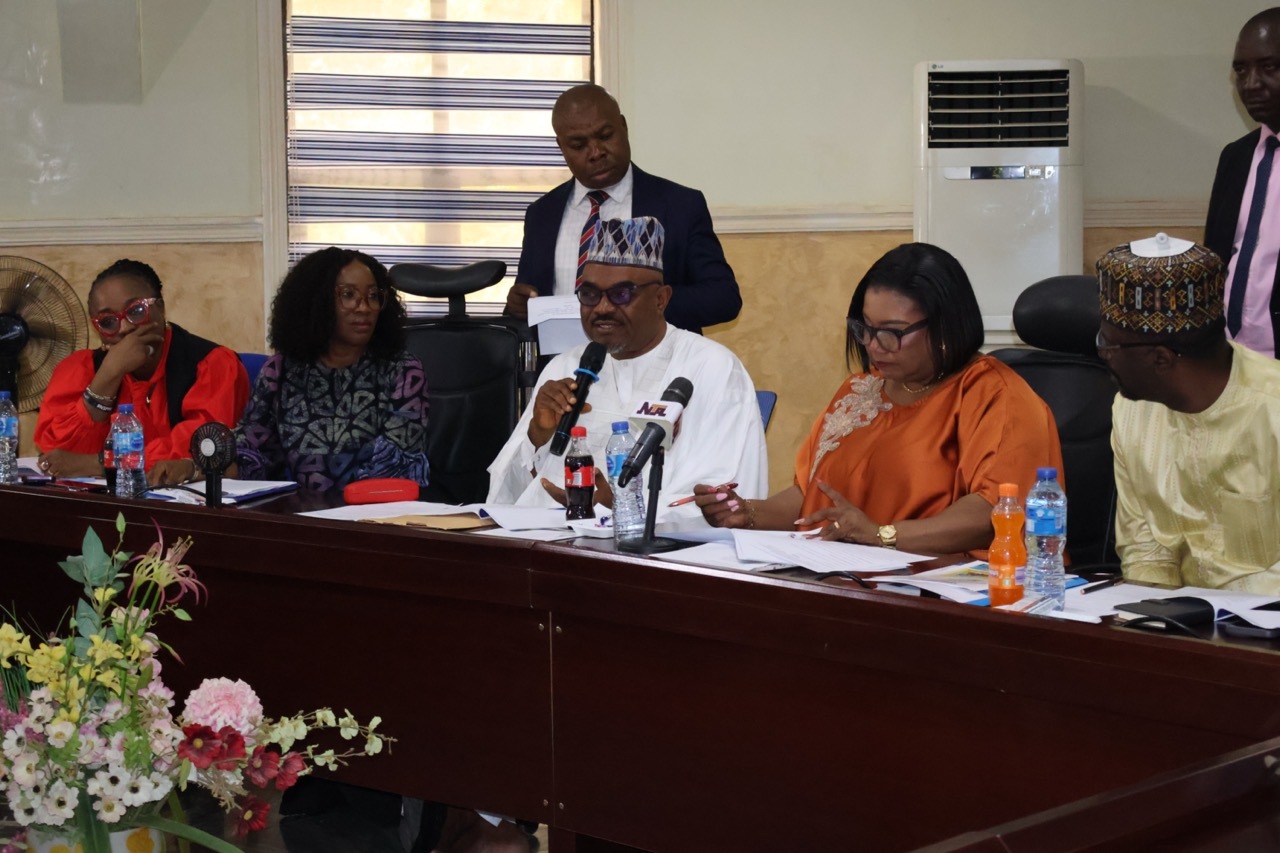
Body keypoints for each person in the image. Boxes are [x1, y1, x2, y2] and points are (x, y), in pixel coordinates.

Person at [696, 243, 1062, 557]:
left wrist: (882, 535)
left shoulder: (996, 395)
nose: (873, 345)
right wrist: (747, 513)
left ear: (945, 327)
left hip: (945, 585)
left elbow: (993, 512)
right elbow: (813, 496)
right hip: (847, 575)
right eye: (865, 328)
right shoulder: (859, 391)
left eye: (891, 332)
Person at [488, 216, 766, 516]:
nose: (603, 308)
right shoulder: (565, 367)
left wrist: (621, 506)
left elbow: (722, 500)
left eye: (621, 294)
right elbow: (504, 498)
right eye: (590, 294)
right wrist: (537, 436)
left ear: (660, 299)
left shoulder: (711, 367)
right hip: (549, 537)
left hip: (655, 544)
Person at [1098, 238, 1280, 593]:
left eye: (1108, 344)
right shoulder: (1131, 411)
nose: (1103, 355)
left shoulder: (1272, 410)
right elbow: (1144, 548)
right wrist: (1152, 616)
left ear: (1160, 359)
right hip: (1178, 617)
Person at [503, 84, 741, 335]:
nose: (596, 152)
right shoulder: (542, 214)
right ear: (561, 147)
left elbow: (723, 298)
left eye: (605, 136)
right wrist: (517, 306)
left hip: (655, 358)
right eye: (578, 145)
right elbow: (526, 303)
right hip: (563, 359)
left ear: (624, 127)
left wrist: (643, 303)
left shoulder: (680, 205)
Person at [34, 259, 250, 486]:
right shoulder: (81, 368)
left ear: (161, 308)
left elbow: (202, 447)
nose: (125, 328)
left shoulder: (211, 364)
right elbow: (59, 458)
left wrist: (100, 463)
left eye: (136, 311)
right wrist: (109, 375)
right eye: (108, 322)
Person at [233, 247, 430, 491]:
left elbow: (394, 469)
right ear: (317, 302)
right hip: (300, 510)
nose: (364, 307)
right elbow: (253, 454)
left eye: (373, 295)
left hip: (373, 509)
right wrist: (204, 468)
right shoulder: (280, 371)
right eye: (348, 294)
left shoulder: (402, 372)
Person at [1204, 7, 1280, 358]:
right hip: (1230, 357)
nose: (1251, 84)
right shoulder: (1235, 157)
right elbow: (1216, 258)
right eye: (1240, 70)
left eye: (1270, 67)